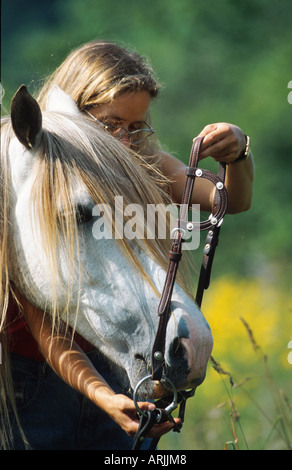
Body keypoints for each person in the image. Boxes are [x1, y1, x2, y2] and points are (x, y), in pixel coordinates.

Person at [2, 40, 254, 450]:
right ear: (74, 115)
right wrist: (102, 396)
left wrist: (239, 154)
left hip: (123, 367)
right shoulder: (41, 186)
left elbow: (230, 199)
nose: (123, 141)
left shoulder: (142, 163)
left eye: (136, 127)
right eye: (110, 125)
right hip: (40, 383)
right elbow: (44, 321)